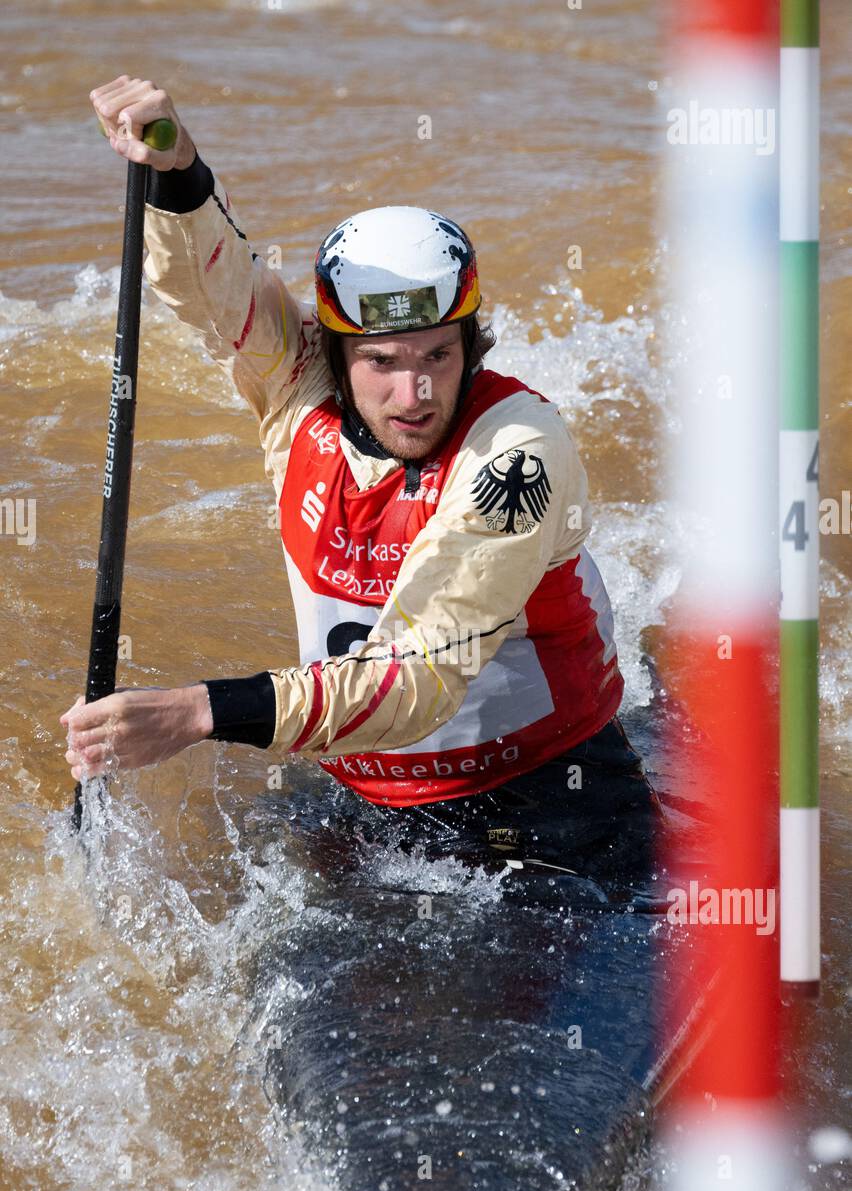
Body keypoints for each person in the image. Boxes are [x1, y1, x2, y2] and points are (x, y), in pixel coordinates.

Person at [64, 76, 661, 892]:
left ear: (470, 345)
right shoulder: (296, 382)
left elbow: (415, 678)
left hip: (546, 805)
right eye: (382, 361)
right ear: (337, 354)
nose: (412, 395)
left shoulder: (518, 451)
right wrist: (174, 162)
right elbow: (215, 286)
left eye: (437, 357)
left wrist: (202, 710)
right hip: (360, 793)